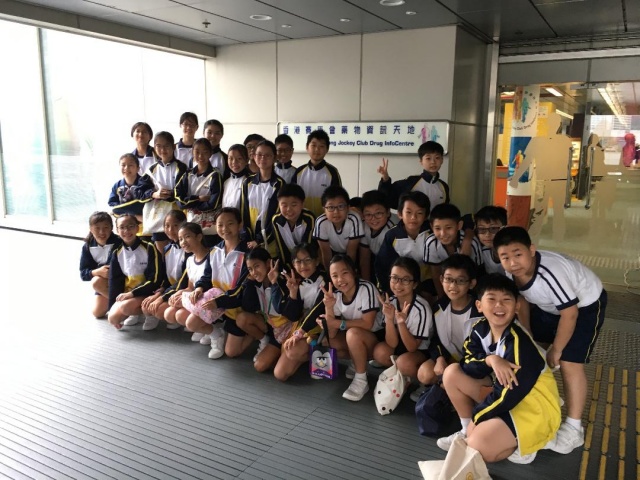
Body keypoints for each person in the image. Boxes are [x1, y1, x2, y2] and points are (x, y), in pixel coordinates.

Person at [494, 226, 607, 454]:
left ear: (531, 250)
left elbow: (570, 313)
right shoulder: (511, 273)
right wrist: (528, 333)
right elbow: (522, 300)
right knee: (530, 349)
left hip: (584, 305)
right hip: (550, 306)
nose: (513, 262)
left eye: (518, 254)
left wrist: (557, 349)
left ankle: (574, 428)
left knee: (569, 362)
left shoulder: (550, 273)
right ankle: (549, 397)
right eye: (505, 257)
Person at [436, 274, 561, 465]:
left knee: (477, 446)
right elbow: (467, 363)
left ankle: (532, 441)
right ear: (479, 305)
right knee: (452, 373)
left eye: (506, 300)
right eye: (492, 299)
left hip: (533, 407)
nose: (499, 305)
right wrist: (490, 360)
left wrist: (478, 416)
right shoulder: (480, 329)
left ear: (517, 306)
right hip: (504, 396)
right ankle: (466, 430)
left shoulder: (520, 344)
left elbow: (510, 393)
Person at [203, 249, 301, 371]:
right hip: (268, 325)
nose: (254, 272)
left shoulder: (283, 282)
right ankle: (263, 340)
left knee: (263, 367)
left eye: (257, 266)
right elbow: (239, 298)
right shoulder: (253, 281)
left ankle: (281, 353)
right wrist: (217, 302)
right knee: (242, 319)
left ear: (268, 263)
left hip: (286, 330)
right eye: (250, 269)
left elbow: (288, 312)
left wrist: (274, 284)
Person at [413, 254, 482, 400]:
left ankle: (452, 392)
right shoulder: (439, 307)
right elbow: (436, 339)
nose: (453, 286)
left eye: (460, 280)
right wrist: (439, 358)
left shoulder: (480, 311)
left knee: (452, 379)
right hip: (451, 357)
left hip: (474, 364)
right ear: (441, 279)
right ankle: (445, 388)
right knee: (425, 374)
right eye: (449, 279)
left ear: (472, 283)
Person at [319, 254, 383, 402]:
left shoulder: (366, 288)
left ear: (354, 272)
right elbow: (332, 334)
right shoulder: (335, 295)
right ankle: (356, 363)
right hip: (356, 338)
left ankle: (361, 380)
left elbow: (368, 323)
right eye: (335, 276)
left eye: (344, 273)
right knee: (328, 341)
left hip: (376, 339)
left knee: (352, 334)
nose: (340, 280)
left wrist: (337, 323)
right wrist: (329, 307)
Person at [192, 207, 249, 359]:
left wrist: (219, 302)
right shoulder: (214, 251)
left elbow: (243, 289)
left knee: (232, 352)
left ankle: (251, 333)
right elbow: (207, 276)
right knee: (191, 323)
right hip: (216, 303)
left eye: (230, 223)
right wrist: (199, 288)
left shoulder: (248, 253)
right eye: (220, 225)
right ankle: (217, 334)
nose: (225, 229)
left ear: (240, 225)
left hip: (236, 306)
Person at [372, 257, 434, 383]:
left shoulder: (421, 308)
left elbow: (412, 348)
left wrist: (401, 323)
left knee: (404, 363)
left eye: (405, 280)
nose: (398, 284)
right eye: (394, 278)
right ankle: (400, 375)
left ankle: (412, 378)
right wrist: (389, 319)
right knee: (379, 353)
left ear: (415, 284)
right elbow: (392, 344)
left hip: (420, 350)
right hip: (400, 346)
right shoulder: (391, 302)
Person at [277, 243, 328, 381]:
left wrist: (299, 333)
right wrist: (293, 293)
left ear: (316, 261)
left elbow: (319, 309)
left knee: (292, 352)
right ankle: (309, 353)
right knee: (280, 374)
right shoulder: (298, 282)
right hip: (303, 327)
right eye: (298, 261)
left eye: (307, 260)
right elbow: (292, 316)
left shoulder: (325, 280)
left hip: (321, 328)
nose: (303, 265)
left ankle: (317, 353)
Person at [164, 222, 220, 343]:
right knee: (171, 313)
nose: (183, 242)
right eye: (180, 239)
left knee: (187, 321)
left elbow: (212, 288)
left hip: (209, 302)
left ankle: (216, 332)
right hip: (195, 300)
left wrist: (186, 299)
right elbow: (190, 287)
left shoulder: (213, 257)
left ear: (199, 237)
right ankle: (203, 328)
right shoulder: (189, 260)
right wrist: (178, 294)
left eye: (187, 236)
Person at [107, 214, 162, 330]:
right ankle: (135, 312)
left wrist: (132, 294)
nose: (126, 231)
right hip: (130, 294)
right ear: (117, 230)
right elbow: (114, 281)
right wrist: (112, 305)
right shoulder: (117, 252)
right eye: (122, 227)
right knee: (112, 318)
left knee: (126, 307)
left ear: (137, 228)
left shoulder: (149, 247)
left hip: (149, 292)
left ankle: (150, 314)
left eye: (130, 226)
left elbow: (155, 279)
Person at [140, 210, 189, 332]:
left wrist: (161, 297)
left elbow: (184, 281)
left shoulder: (188, 249)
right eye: (167, 225)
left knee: (159, 310)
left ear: (184, 224)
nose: (171, 230)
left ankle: (181, 317)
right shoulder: (167, 248)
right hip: (171, 289)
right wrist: (160, 291)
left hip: (184, 290)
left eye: (175, 225)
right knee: (146, 306)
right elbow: (166, 277)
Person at [375, 191, 431, 295]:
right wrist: (386, 291)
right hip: (402, 284)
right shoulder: (392, 236)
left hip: (429, 283)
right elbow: (383, 266)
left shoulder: (432, 233)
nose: (413, 217)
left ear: (426, 215)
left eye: (419, 213)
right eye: (409, 212)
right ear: (400, 214)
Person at [423, 203, 483, 299]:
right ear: (431, 226)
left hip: (468, 284)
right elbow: (436, 274)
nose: (443, 233)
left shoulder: (472, 243)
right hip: (446, 282)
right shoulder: (431, 242)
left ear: (459, 225)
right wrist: (442, 299)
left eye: (448, 228)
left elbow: (478, 273)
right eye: (437, 228)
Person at [143, 131, 187, 252]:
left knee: (181, 249)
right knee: (163, 254)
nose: (162, 150)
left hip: (177, 215)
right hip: (158, 218)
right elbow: (140, 191)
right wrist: (154, 194)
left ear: (173, 147)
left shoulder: (182, 167)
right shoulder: (151, 169)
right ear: (154, 148)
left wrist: (171, 194)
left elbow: (184, 190)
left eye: (166, 146)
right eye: (159, 146)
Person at [175, 137, 223, 246]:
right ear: (192, 152)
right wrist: (198, 199)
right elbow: (179, 200)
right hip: (191, 227)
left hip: (209, 230)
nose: (201, 156)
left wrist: (190, 204)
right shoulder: (187, 175)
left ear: (210, 153)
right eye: (197, 152)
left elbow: (213, 204)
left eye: (205, 152)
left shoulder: (215, 176)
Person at [377, 141, 449, 213]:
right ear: (421, 161)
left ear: (442, 160)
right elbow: (386, 197)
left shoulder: (443, 186)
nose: (433, 162)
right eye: (428, 158)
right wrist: (385, 178)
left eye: (437, 158)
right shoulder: (411, 182)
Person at [240, 140, 285, 250]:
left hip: (271, 242)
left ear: (274, 158)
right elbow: (244, 213)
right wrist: (248, 238)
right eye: (259, 154)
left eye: (267, 155)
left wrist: (259, 240)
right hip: (250, 241)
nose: (263, 158)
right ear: (254, 157)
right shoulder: (247, 182)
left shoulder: (279, 184)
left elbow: (278, 216)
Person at [79, 212, 121, 319]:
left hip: (120, 280)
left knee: (96, 281)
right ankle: (120, 304)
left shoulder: (118, 242)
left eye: (106, 227)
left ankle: (123, 306)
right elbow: (83, 274)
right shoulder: (87, 246)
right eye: (97, 228)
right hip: (104, 283)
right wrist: (97, 272)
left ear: (111, 228)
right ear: (91, 229)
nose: (102, 232)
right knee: (97, 313)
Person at [313, 186, 363, 273]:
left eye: (341, 206)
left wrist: (347, 273)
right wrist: (331, 276)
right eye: (331, 207)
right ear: (324, 209)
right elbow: (326, 253)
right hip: (333, 253)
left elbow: (351, 252)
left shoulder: (353, 219)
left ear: (348, 207)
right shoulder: (321, 222)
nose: (336, 212)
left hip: (352, 254)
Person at [291, 129, 341, 217]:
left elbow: (338, 198)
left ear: (327, 149)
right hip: (302, 220)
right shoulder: (299, 172)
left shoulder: (332, 172)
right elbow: (291, 198)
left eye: (321, 146)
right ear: (307, 147)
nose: (317, 149)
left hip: (325, 220)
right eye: (313, 145)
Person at [268, 183, 316, 270]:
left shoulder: (309, 219)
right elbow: (281, 248)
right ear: (279, 205)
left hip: (307, 263)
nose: (289, 209)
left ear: (302, 204)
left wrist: (300, 267)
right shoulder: (276, 220)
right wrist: (288, 269)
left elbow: (307, 248)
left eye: (294, 205)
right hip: (289, 264)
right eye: (284, 205)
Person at [359, 190, 395, 283]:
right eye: (368, 214)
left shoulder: (392, 230)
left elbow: (393, 265)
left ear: (388, 212)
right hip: (377, 258)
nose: (373, 218)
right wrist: (367, 285)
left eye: (378, 213)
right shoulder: (364, 225)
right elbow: (364, 259)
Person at [108, 153, 153, 220]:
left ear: (138, 168)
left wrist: (121, 210)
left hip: (145, 219)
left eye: (130, 165)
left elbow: (148, 201)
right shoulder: (117, 186)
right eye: (123, 165)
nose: (126, 168)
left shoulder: (145, 182)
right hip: (125, 220)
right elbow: (112, 204)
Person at [473, 205, 507, 275]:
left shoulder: (513, 251)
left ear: (504, 228)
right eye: (482, 229)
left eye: (493, 228)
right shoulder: (482, 252)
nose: (487, 234)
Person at [222, 144, 251, 209]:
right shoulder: (226, 182)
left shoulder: (250, 182)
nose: (234, 162)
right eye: (231, 158)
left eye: (239, 158)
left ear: (247, 160)